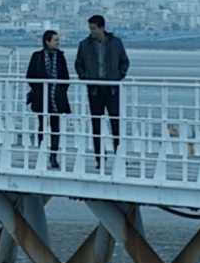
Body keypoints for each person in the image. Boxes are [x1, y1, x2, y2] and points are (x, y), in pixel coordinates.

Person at [75, 14, 130, 169]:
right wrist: (85, 77)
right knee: (96, 125)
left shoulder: (116, 43)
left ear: (102, 27)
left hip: (112, 89)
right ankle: (99, 158)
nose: (91, 32)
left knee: (115, 124)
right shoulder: (84, 45)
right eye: (90, 28)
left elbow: (124, 61)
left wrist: (118, 76)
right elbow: (79, 64)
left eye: (93, 28)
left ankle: (118, 156)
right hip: (94, 90)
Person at [25, 29, 72, 169]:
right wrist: (39, 89)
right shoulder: (37, 56)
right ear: (47, 41)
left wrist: (60, 90)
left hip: (56, 98)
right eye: (55, 40)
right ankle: (41, 153)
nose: (58, 43)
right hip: (41, 97)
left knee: (55, 127)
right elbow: (30, 76)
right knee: (42, 126)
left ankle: (53, 156)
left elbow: (65, 77)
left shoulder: (60, 57)